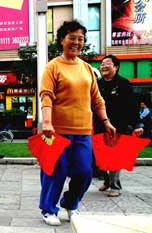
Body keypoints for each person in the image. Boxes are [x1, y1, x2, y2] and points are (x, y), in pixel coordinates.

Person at [39, 20, 116, 226]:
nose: (76, 42)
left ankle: (70, 203)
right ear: (62, 40)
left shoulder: (87, 69)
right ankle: (48, 209)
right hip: (57, 130)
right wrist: (47, 122)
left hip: (83, 130)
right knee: (55, 171)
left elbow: (97, 99)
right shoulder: (52, 67)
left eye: (80, 39)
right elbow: (46, 96)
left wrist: (106, 121)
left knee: (84, 172)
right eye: (71, 37)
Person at [95, 55, 144, 197]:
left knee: (115, 156)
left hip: (119, 126)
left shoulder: (124, 84)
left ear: (115, 67)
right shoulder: (97, 84)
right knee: (101, 156)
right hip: (100, 125)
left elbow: (132, 106)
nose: (103, 66)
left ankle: (115, 186)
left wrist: (137, 124)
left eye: (107, 64)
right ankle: (106, 180)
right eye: (102, 64)